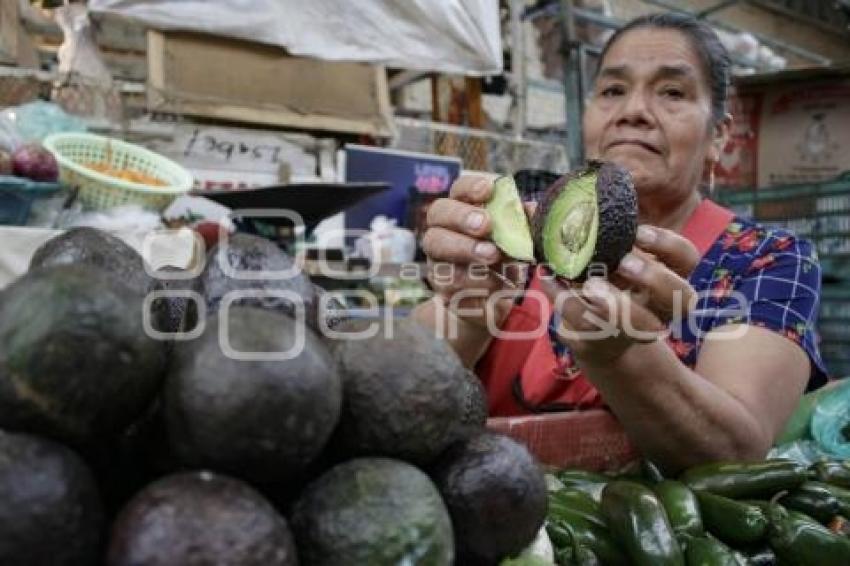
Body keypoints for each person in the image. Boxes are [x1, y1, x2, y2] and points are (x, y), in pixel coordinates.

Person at [412, 12, 827, 473]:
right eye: (612, 91)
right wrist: (469, 314)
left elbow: (734, 450)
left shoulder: (765, 258)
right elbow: (398, 402)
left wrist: (622, 355)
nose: (633, 111)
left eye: (672, 92)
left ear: (718, 136)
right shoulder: (517, 229)